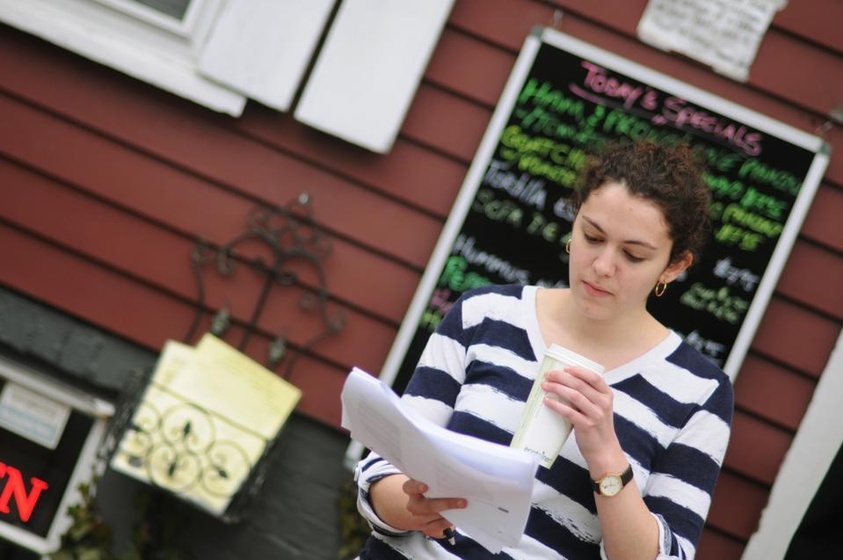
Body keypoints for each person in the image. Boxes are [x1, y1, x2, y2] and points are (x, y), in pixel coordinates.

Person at [353, 140, 734, 559]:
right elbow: (383, 470)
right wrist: (412, 505)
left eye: (633, 255)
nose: (602, 266)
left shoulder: (699, 392)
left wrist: (606, 456)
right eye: (592, 236)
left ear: (674, 266)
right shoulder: (484, 313)